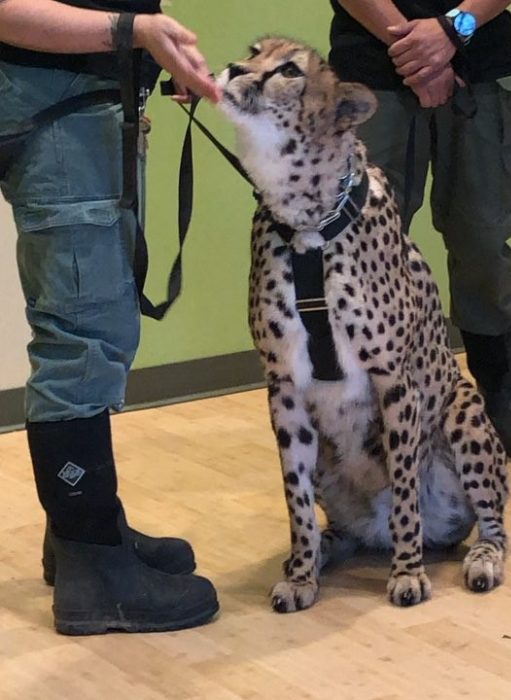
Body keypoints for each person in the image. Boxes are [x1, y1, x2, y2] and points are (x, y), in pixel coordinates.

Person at [0, 0, 222, 635]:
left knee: (98, 329)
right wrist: (135, 30)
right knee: (81, 340)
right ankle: (95, 572)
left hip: (84, 101)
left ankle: (84, 530)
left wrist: (153, 45)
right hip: (57, 106)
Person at [329, 0, 511, 467]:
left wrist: (453, 29)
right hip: (372, 79)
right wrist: (419, 56)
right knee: (362, 259)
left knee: (484, 241)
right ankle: (364, 426)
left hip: (481, 71)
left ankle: (503, 403)